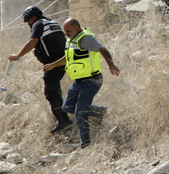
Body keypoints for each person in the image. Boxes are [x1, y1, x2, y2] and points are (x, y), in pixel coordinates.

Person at [44, 19, 120, 149]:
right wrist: (52, 65)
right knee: (67, 107)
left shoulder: (87, 38)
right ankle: (100, 111)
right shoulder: (71, 39)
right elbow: (68, 57)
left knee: (80, 112)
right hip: (78, 82)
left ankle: (86, 143)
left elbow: (102, 50)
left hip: (92, 80)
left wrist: (111, 64)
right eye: (65, 31)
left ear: (77, 28)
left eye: (68, 31)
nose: (66, 33)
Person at [8, 6, 73, 134]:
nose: (28, 24)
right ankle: (66, 116)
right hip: (64, 61)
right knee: (55, 90)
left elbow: (33, 41)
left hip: (52, 63)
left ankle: (64, 120)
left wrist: (18, 55)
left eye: (28, 21)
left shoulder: (38, 24)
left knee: (50, 92)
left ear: (32, 18)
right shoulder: (52, 22)